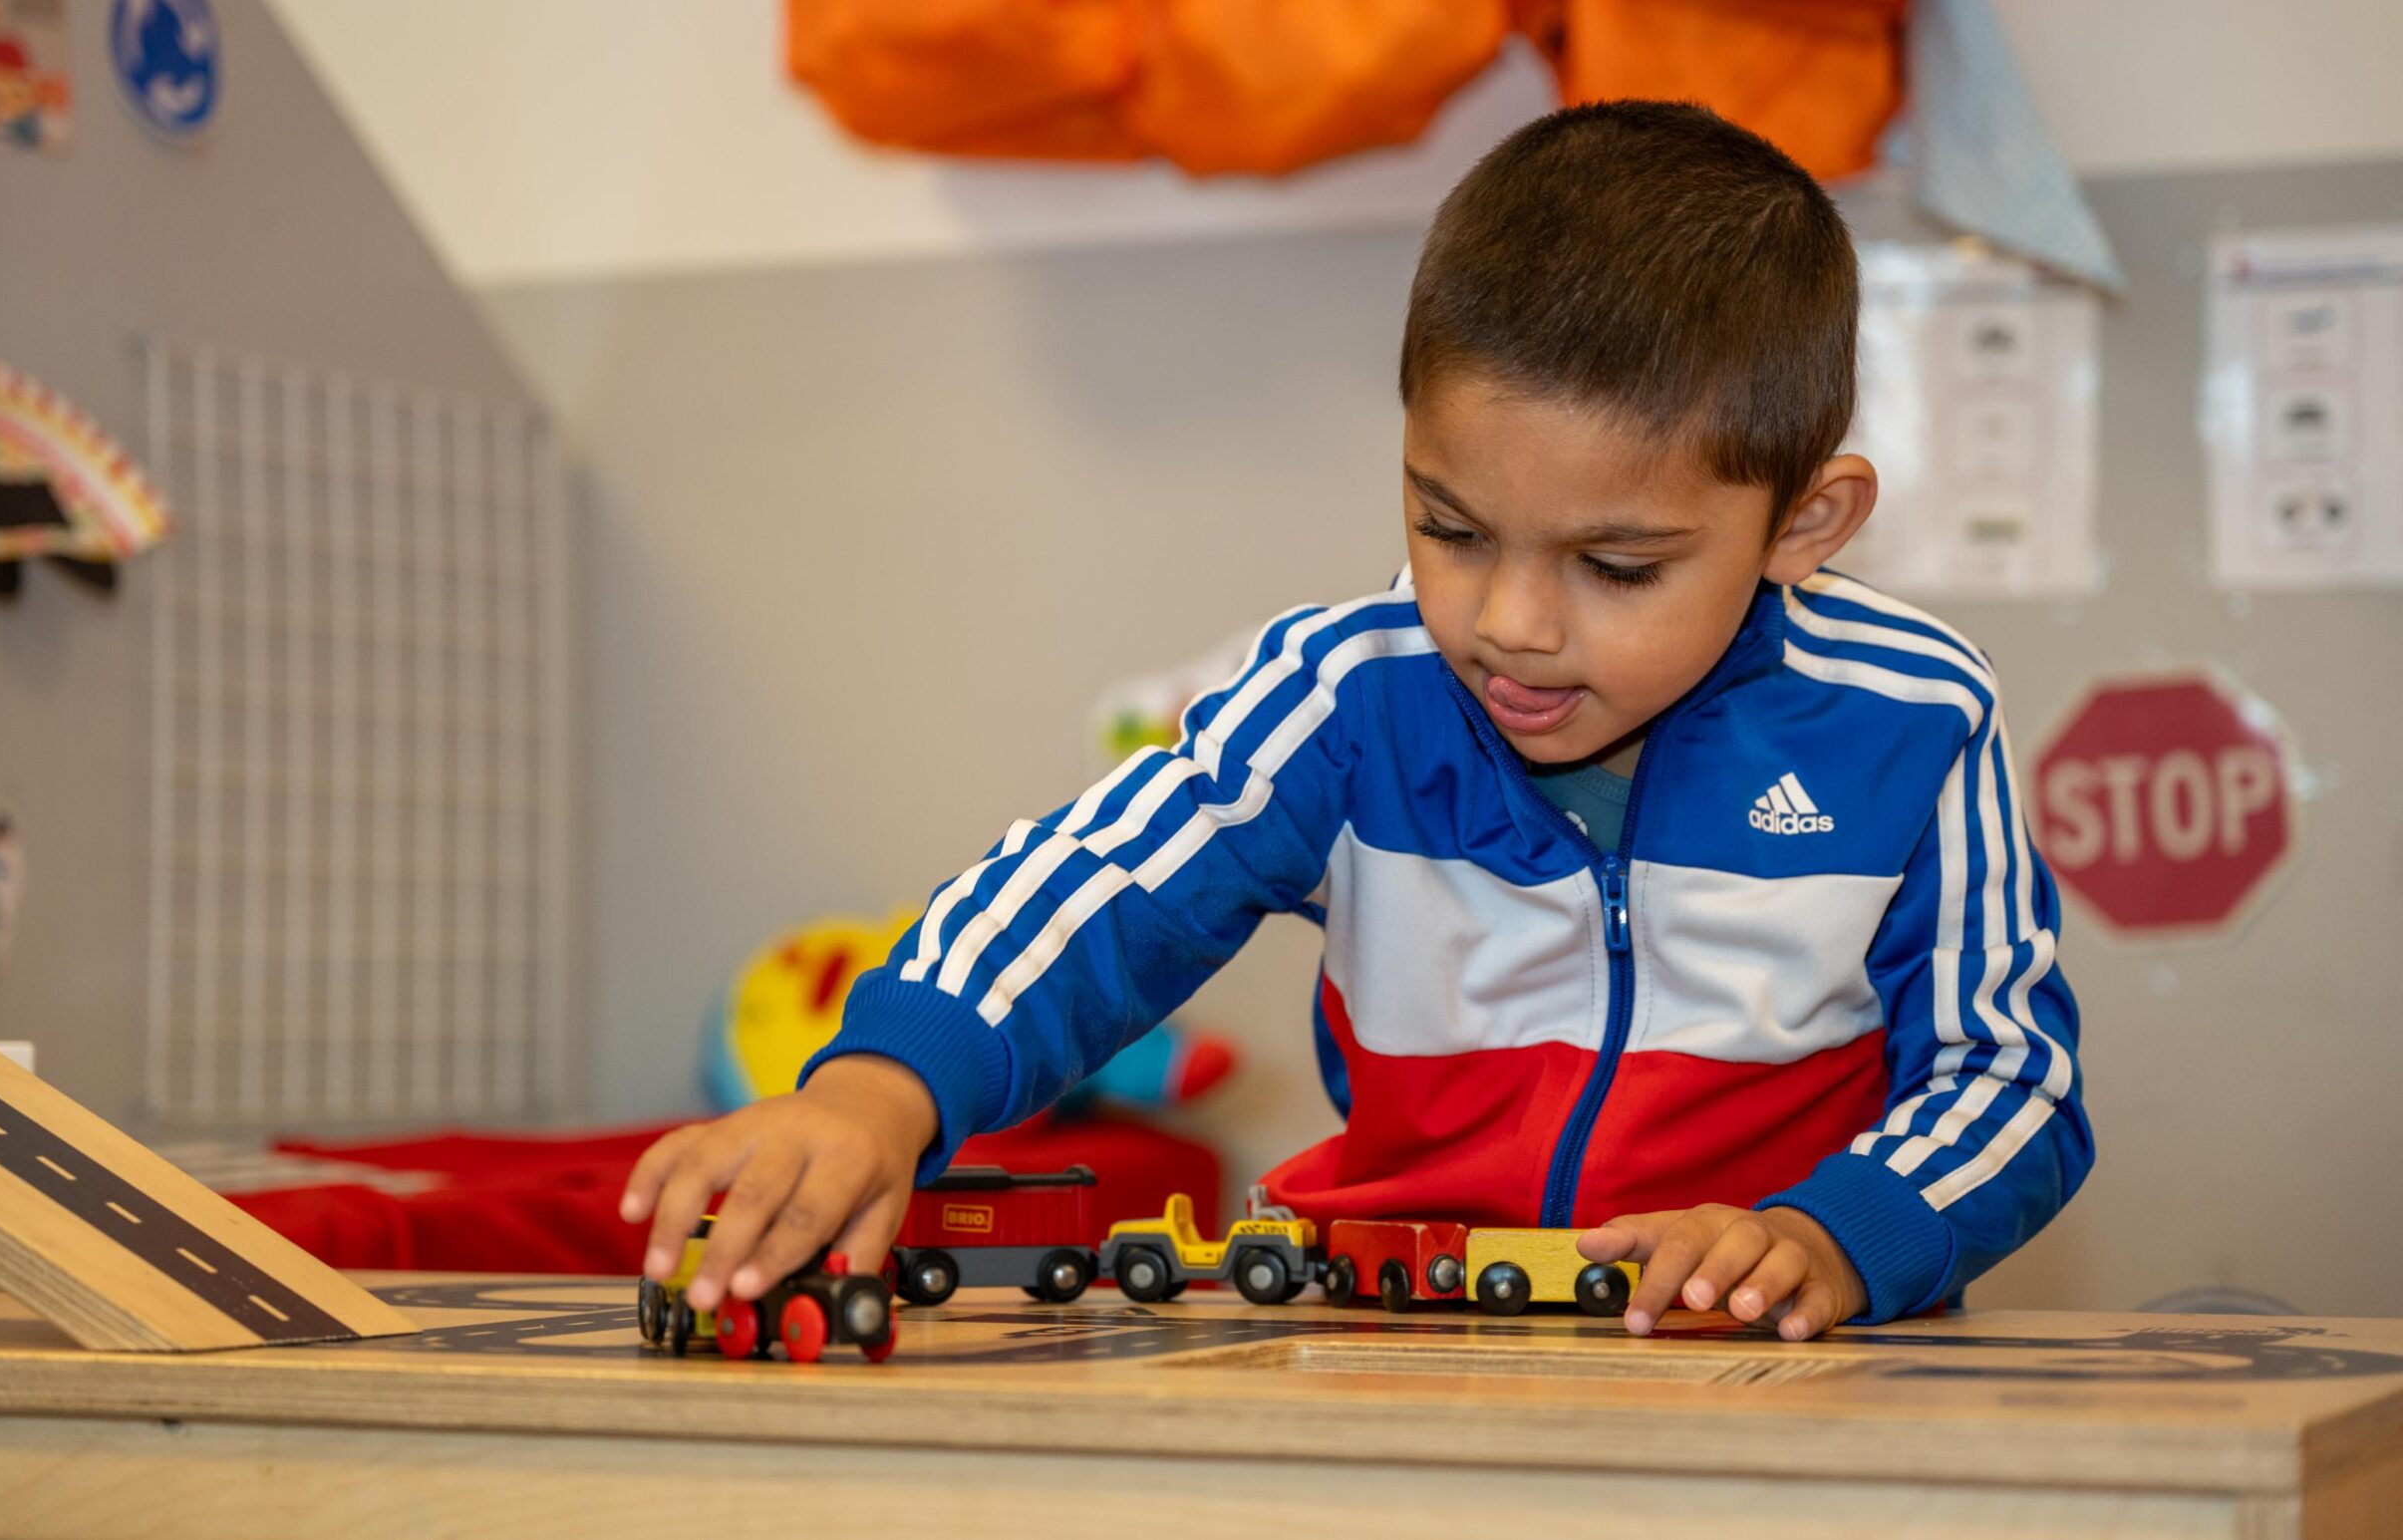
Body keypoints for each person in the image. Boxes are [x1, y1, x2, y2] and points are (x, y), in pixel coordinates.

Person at [621, 101, 2090, 1340]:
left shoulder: (1915, 718)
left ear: (1803, 521)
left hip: (1771, 1357)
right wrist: (883, 1082)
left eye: (1615, 565)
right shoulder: (1346, 693)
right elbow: (1098, 885)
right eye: (1450, 527)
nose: (1509, 621)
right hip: (1397, 1328)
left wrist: (1839, 1235)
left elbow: (2006, 1072)